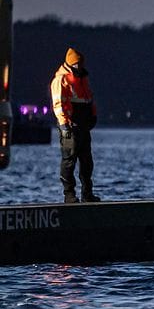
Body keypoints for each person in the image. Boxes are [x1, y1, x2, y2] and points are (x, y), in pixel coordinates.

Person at [50, 47, 100, 203]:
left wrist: (93, 116)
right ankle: (69, 195)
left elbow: (89, 99)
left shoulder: (82, 79)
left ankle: (87, 194)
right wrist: (64, 125)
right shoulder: (61, 80)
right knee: (69, 160)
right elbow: (58, 104)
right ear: (71, 63)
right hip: (70, 125)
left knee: (87, 161)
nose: (80, 66)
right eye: (78, 64)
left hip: (84, 125)